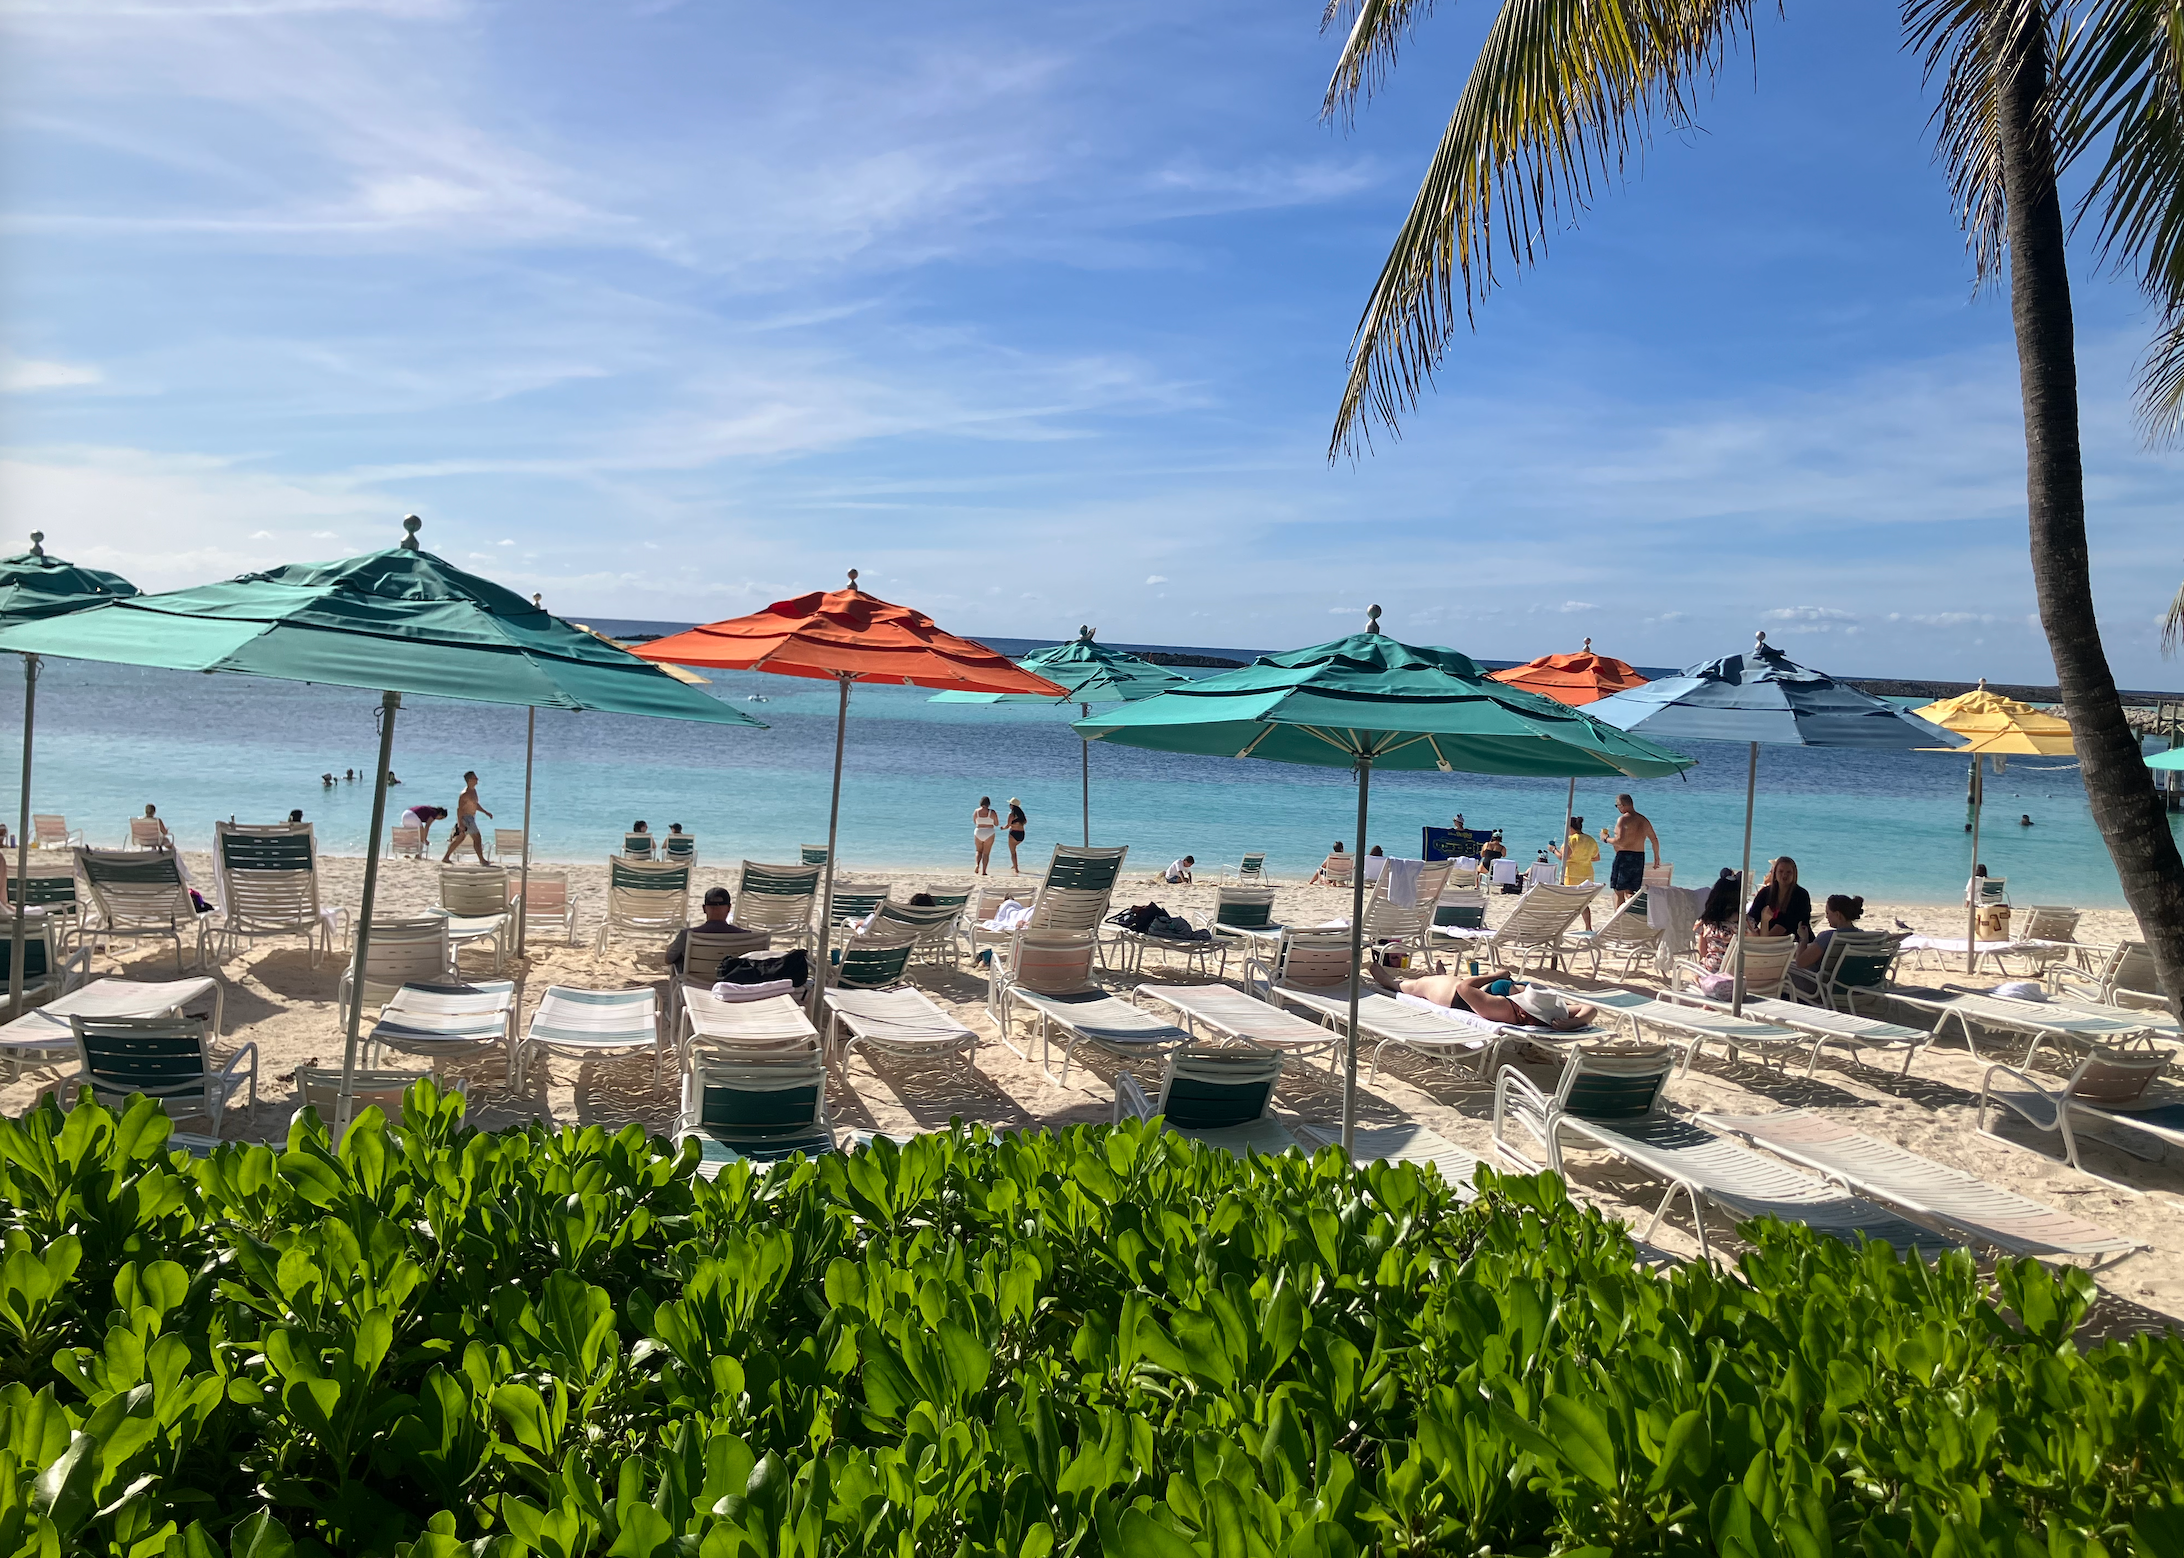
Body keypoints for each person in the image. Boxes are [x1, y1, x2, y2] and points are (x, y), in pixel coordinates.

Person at [1375, 962, 1597, 1030]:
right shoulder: (1551, 1009)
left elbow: (1464, 988)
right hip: (1483, 989)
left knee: (1413, 985)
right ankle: (1440, 975)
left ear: (1522, 1011)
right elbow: (1591, 1008)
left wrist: (1496, 974)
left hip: (1452, 994)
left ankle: (1380, 975)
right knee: (1441, 978)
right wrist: (1576, 1021)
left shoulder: (1503, 1009)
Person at [659, 887, 750, 972]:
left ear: (704, 909)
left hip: (695, 980)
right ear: (729, 908)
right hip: (730, 981)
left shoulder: (687, 934)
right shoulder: (747, 936)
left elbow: (668, 959)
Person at [1599, 793, 1660, 905]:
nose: (1617, 808)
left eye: (1617, 806)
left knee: (1619, 891)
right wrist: (1656, 857)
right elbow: (1654, 839)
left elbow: (1620, 841)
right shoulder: (1643, 820)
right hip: (1639, 857)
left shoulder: (1623, 820)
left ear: (1622, 805)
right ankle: (1633, 913)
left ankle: (1619, 920)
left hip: (1624, 858)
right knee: (1630, 891)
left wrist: (1606, 839)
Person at [1794, 894, 1868, 984]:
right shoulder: (1863, 937)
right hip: (1855, 984)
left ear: (1838, 915)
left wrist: (1803, 939)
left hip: (1823, 986)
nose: (1826, 917)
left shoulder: (1828, 937)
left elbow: (1800, 963)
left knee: (1785, 971)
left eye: (1828, 913)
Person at [1747, 856, 1813, 942]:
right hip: (1772, 941)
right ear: (1774, 873)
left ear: (1794, 875)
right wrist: (1753, 931)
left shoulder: (1801, 895)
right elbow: (1752, 917)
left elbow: (1787, 925)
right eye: (1781, 871)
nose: (1784, 875)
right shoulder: (1765, 893)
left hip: (1796, 942)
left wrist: (1762, 938)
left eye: (1789, 872)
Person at [1552, 814, 1601, 929]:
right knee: (1583, 903)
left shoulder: (1571, 840)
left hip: (1572, 875)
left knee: (1567, 900)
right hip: (1587, 874)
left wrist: (1553, 850)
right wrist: (1583, 858)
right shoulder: (1590, 839)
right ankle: (1588, 927)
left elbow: (1563, 857)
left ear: (1570, 828)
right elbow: (1597, 858)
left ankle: (1559, 926)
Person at [1691, 870, 1743, 975]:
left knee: (1696, 973)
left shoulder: (1706, 923)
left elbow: (1703, 952)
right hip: (1739, 973)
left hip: (1712, 975)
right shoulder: (1746, 924)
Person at [442, 771, 493, 864]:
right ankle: (482, 860)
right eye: (475, 778)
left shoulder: (473, 791)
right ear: (470, 780)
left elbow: (475, 805)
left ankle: (446, 857)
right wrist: (460, 823)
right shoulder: (464, 794)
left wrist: (486, 812)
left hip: (471, 818)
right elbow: (459, 809)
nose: (477, 779)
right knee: (477, 838)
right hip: (466, 819)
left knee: (460, 839)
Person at [972, 797, 999, 875]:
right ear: (989, 803)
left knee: (978, 851)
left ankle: (977, 865)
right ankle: (984, 871)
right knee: (986, 853)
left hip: (979, 831)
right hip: (989, 832)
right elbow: (996, 824)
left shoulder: (976, 811)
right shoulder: (992, 812)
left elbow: (975, 821)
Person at [1005, 798, 1028, 873]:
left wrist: (1002, 828)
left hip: (1013, 833)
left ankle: (1016, 868)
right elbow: (1025, 822)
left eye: (1010, 804)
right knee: (1014, 849)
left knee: (1013, 852)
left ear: (1012, 806)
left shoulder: (1011, 814)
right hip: (1021, 834)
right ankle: (1014, 865)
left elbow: (1008, 825)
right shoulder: (1022, 814)